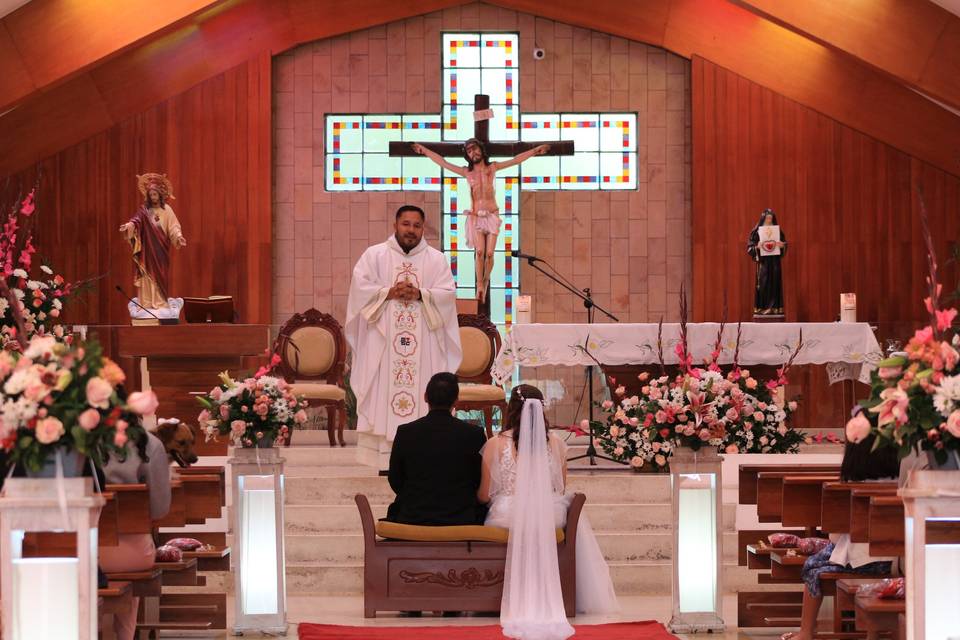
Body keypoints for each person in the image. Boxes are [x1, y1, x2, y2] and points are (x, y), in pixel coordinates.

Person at [478, 384, 618, 636]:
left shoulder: (495, 444)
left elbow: (483, 494)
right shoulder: (556, 443)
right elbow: (560, 487)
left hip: (507, 515)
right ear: (541, 409)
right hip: (548, 513)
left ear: (512, 408)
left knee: (495, 512)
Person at [345, 205, 462, 468]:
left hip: (424, 341)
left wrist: (421, 294)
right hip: (384, 343)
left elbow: (447, 294)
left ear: (423, 228)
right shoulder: (374, 255)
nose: (411, 230)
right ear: (395, 225)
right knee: (382, 390)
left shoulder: (436, 259)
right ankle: (383, 459)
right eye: (406, 224)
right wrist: (389, 291)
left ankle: (422, 457)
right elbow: (360, 288)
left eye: (416, 225)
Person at [782, 429, 900, 640]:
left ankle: (806, 632)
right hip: (895, 559)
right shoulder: (901, 480)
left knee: (812, 566)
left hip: (861, 560)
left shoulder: (849, 486)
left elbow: (836, 535)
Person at [412, 139, 549, 303]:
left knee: (490, 254)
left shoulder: (492, 168)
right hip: (476, 217)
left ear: (481, 150)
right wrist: (424, 150)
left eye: (475, 149)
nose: (473, 153)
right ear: (467, 156)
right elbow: (443, 162)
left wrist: (535, 150)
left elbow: (516, 159)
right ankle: (480, 285)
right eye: (469, 152)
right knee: (479, 252)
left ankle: (486, 280)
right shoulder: (466, 172)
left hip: (491, 215)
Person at [385, 372, 488, 526]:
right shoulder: (475, 434)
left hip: (413, 516)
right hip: (461, 517)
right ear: (456, 401)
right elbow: (478, 479)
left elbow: (395, 479)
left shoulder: (405, 432)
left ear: (426, 396)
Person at [99, 426, 172, 640]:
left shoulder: (75, 438)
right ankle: (124, 636)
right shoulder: (150, 444)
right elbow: (160, 509)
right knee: (130, 563)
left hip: (82, 548)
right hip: (132, 554)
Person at [119, 173, 186, 310]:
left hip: (161, 252)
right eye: (151, 195)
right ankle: (147, 302)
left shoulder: (167, 210)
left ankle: (160, 302)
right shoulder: (144, 211)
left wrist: (178, 236)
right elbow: (135, 221)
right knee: (146, 276)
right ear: (148, 196)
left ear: (160, 195)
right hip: (147, 251)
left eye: (155, 194)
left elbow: (173, 226)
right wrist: (128, 226)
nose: (153, 197)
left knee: (160, 276)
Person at [747, 208, 786, 316]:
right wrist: (757, 247)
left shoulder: (777, 231)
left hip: (774, 263)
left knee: (774, 284)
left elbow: (784, 244)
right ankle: (762, 308)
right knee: (763, 284)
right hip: (763, 263)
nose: (769, 220)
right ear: (763, 219)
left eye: (771, 218)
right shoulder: (756, 232)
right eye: (767, 218)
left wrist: (782, 246)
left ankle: (774, 308)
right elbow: (750, 247)